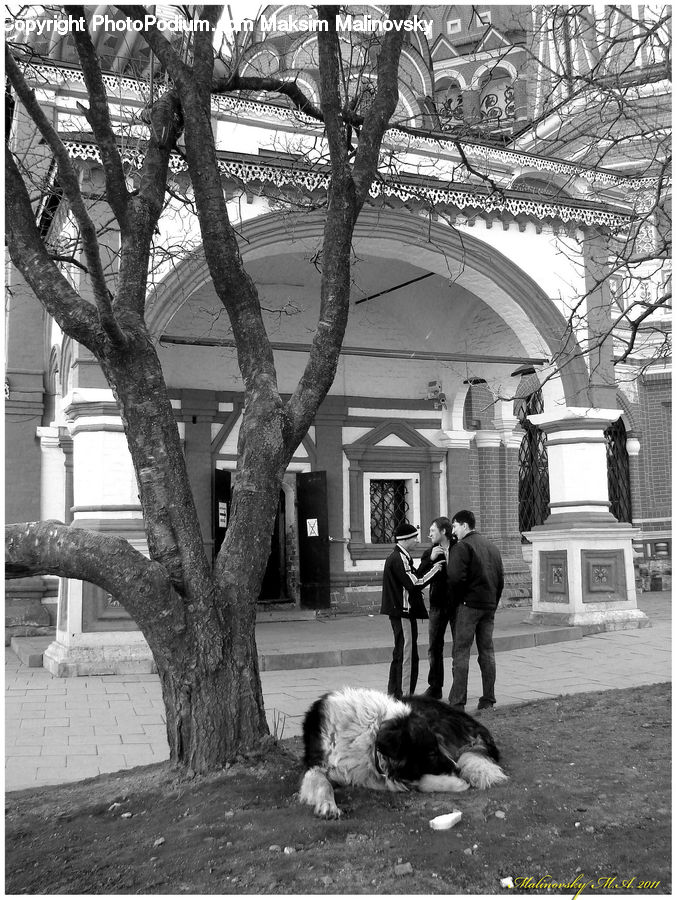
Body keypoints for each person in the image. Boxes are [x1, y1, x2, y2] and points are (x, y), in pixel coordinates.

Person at [446, 509, 504, 712]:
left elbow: (454, 578)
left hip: (468, 606)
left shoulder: (462, 547)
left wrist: (457, 601)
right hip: (488, 606)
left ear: (464, 526)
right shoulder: (492, 547)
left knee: (461, 653)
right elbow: (500, 579)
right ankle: (488, 698)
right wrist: (493, 603)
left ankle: (457, 702)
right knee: (487, 651)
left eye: (454, 526)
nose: (453, 531)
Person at [380, 521, 443, 700]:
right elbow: (414, 582)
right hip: (403, 613)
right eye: (414, 537)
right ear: (406, 539)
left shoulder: (401, 556)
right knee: (407, 655)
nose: (417, 540)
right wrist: (435, 570)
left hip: (402, 612)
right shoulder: (399, 558)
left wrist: (428, 562)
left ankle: (394, 693)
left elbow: (414, 574)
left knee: (401, 652)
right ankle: (405, 695)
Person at [417, 517, 457, 699]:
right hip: (437, 605)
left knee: (459, 647)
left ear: (443, 532)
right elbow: (418, 576)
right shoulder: (430, 552)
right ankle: (435, 687)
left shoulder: (460, 549)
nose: (429, 534)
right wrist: (430, 560)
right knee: (434, 646)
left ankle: (458, 687)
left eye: (433, 531)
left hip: (457, 606)